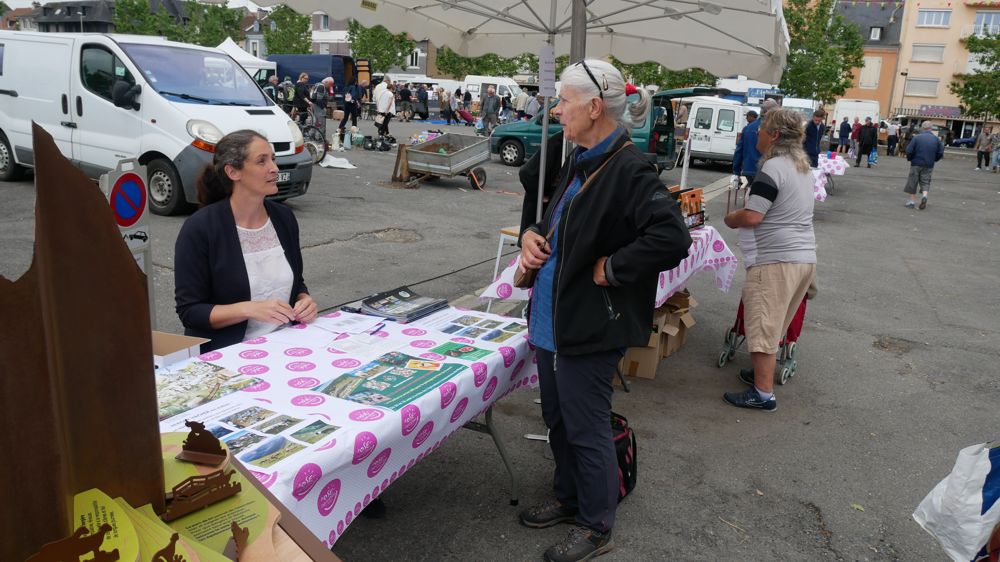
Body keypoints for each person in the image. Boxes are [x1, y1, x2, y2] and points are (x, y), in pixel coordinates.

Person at [516, 59, 691, 562]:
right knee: (557, 417)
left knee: (585, 425)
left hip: (591, 323)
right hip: (554, 317)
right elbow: (552, 212)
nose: (555, 109)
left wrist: (613, 267)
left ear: (594, 107)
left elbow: (672, 237)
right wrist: (532, 236)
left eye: (565, 102)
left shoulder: (631, 168)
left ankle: (596, 526)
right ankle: (570, 497)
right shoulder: (582, 157)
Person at [174, 130, 317, 352]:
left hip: (287, 345)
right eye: (262, 161)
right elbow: (190, 312)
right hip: (229, 355)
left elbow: (296, 281)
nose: (274, 168)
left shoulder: (283, 218)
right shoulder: (200, 228)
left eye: (273, 159)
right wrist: (249, 309)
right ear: (233, 172)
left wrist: (304, 299)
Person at [722, 108, 817, 412]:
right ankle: (760, 374)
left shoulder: (773, 168)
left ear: (774, 135)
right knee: (776, 322)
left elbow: (752, 216)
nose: (757, 134)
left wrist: (731, 217)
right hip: (803, 257)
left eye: (762, 129)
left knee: (763, 323)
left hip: (776, 259)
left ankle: (763, 393)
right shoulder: (802, 166)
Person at [904, 121, 944, 210]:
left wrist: (910, 159)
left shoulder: (916, 138)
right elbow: (940, 152)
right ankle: (924, 196)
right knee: (926, 181)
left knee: (913, 181)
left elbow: (909, 150)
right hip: (929, 164)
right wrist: (934, 159)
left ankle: (911, 202)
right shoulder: (936, 139)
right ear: (931, 128)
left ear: (922, 128)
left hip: (916, 162)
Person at [732, 102, 776, 185]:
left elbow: (739, 151)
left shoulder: (748, 128)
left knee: (751, 193)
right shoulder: (775, 130)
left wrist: (736, 171)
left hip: (749, 169)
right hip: (768, 171)